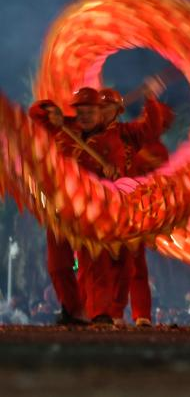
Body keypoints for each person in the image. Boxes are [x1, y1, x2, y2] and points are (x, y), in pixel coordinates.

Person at [30, 87, 131, 324]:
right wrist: (50, 111)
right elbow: (34, 114)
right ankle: (74, 310)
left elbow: (119, 171)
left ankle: (100, 313)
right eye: (80, 111)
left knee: (95, 264)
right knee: (58, 265)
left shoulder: (111, 140)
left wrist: (112, 171)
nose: (84, 116)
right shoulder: (61, 127)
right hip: (60, 209)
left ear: (100, 112)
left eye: (90, 111)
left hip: (91, 212)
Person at [100, 86, 173, 326]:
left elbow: (147, 128)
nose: (102, 112)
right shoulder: (88, 135)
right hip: (102, 207)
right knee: (106, 264)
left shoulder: (130, 134)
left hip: (131, 208)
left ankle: (140, 314)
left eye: (106, 106)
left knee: (134, 262)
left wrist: (149, 98)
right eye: (98, 107)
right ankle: (111, 312)